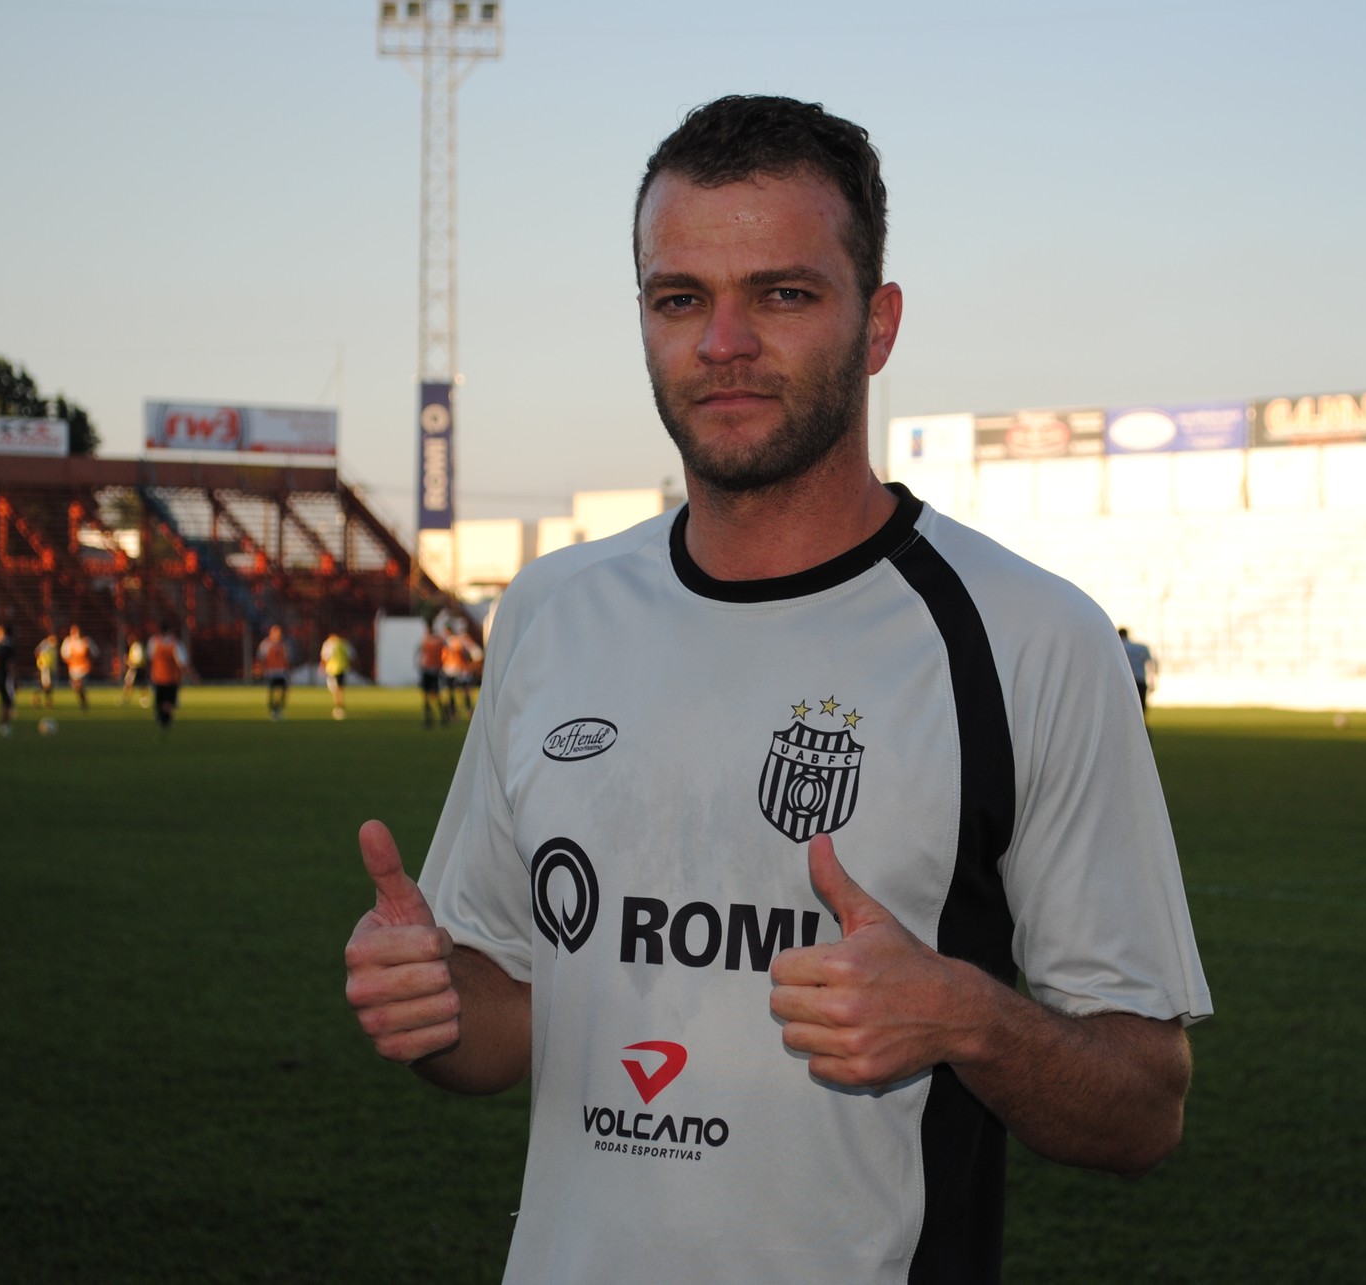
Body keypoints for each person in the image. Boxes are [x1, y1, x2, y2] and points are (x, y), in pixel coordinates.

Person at [343, 96, 1209, 1282]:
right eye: (680, 298)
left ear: (880, 322)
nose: (724, 343)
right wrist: (432, 997)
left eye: (784, 293)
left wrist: (968, 1015)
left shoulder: (1027, 637)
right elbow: (510, 1021)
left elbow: (1142, 1105)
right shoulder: (550, 613)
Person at [147, 622, 189, 731]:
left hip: (158, 678)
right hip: (171, 678)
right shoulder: (175, 644)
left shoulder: (153, 642)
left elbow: (150, 659)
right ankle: (166, 721)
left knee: (160, 702)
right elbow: (182, 662)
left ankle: (161, 720)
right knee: (169, 702)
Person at [1117, 626, 1156, 719]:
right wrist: (1152, 682)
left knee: (1127, 710)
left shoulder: (1120, 647)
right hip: (1141, 680)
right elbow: (1151, 664)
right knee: (1141, 709)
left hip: (1128, 682)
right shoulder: (1141, 647)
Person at [256, 624, 292, 720]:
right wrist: (261, 669)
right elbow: (261, 658)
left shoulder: (283, 645)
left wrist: (287, 669)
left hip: (281, 672)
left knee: (284, 691)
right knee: (272, 691)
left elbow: (286, 659)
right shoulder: (266, 644)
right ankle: (272, 709)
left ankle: (278, 708)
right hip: (271, 672)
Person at [60, 624, 98, 712]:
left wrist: (89, 661)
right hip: (73, 669)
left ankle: (84, 702)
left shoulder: (86, 641)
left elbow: (95, 653)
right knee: (77, 688)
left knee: (79, 685)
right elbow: (64, 655)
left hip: (84, 669)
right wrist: (71, 660)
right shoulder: (68, 642)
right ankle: (84, 699)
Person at [320, 631, 355, 720]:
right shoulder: (344, 644)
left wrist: (322, 667)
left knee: (336, 689)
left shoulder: (329, 644)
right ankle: (340, 706)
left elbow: (325, 657)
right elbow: (351, 656)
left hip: (332, 670)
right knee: (339, 688)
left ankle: (338, 707)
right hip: (342, 668)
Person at [416, 626, 447, 727]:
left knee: (426, 696)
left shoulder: (425, 641)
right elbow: (446, 651)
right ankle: (442, 717)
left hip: (427, 670)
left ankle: (429, 719)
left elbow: (420, 653)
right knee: (436, 695)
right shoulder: (439, 642)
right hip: (435, 670)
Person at [32, 632, 59, 708]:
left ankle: (41, 698)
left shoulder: (53, 647)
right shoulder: (46, 644)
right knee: (47, 685)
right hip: (45, 668)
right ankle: (44, 700)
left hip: (51, 669)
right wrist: (40, 661)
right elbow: (37, 652)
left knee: (48, 686)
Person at [121, 633, 147, 707]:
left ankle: (127, 698)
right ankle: (127, 698)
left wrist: (128, 661)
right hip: (135, 667)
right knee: (130, 683)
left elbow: (138, 659)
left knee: (131, 683)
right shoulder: (135, 646)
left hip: (135, 668)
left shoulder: (136, 647)